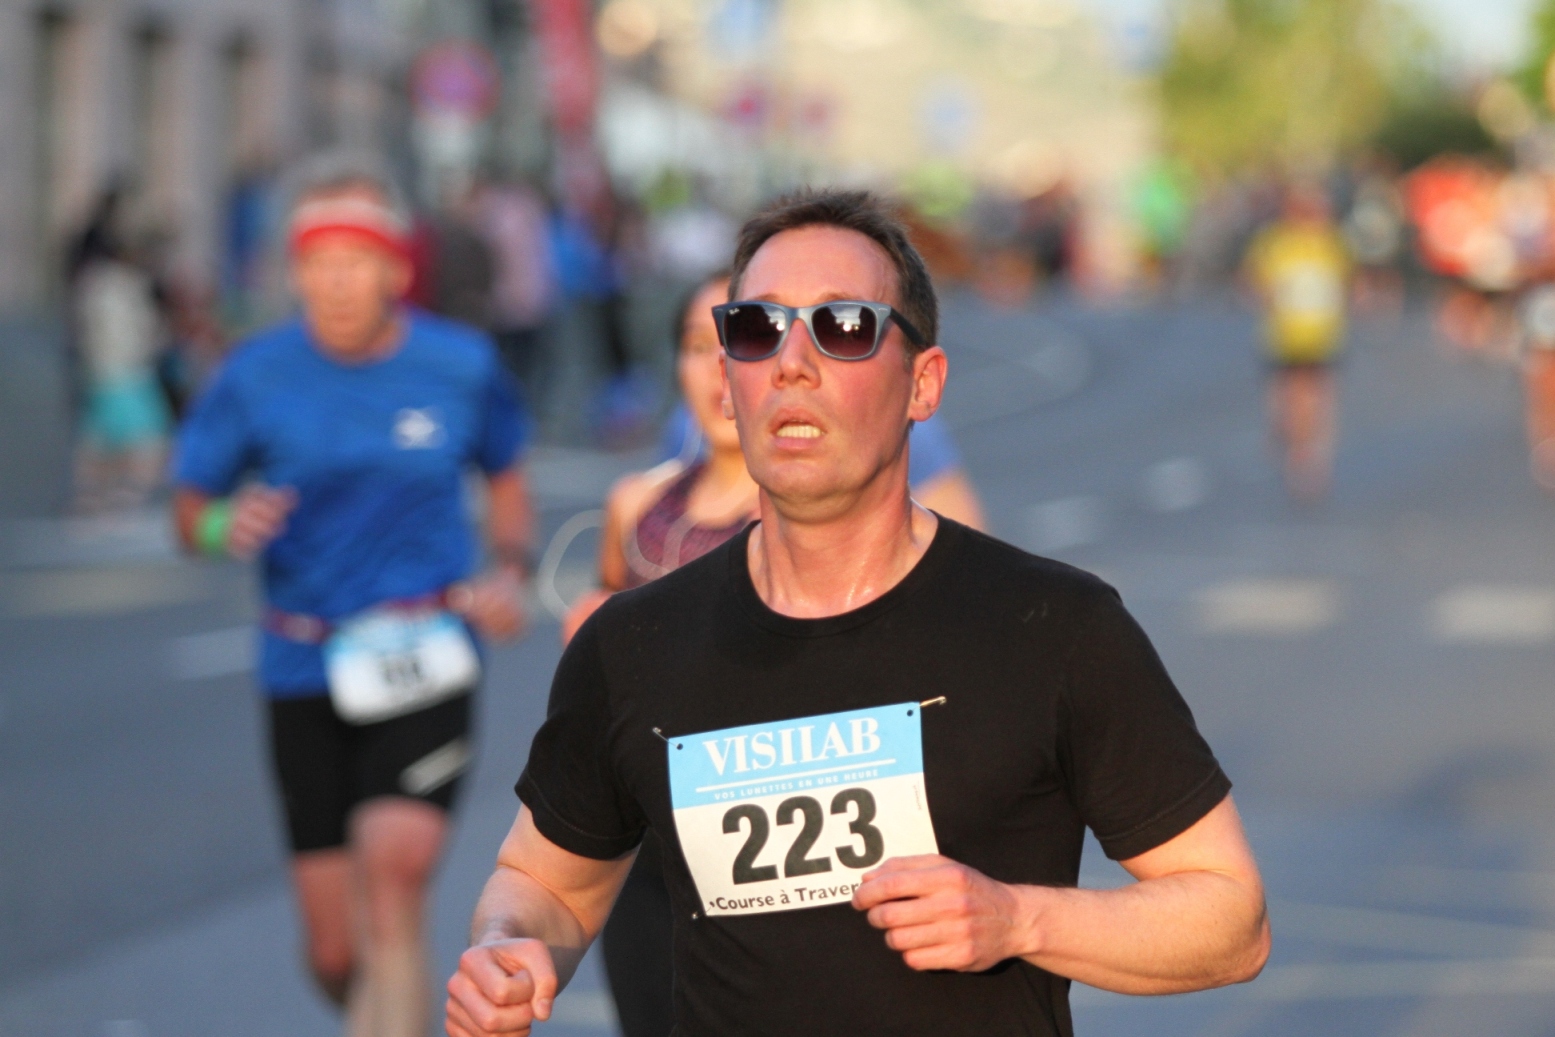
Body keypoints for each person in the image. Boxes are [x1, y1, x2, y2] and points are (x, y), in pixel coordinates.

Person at [446, 189, 1268, 1037]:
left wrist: (1018, 919)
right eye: (756, 329)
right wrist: (506, 949)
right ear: (727, 382)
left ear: (923, 383)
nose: (791, 364)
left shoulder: (1052, 625)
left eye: (842, 327)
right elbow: (545, 885)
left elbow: (1229, 916)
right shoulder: (634, 644)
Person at [171, 153, 535, 1037]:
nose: (335, 282)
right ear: (295, 273)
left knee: (394, 875)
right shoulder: (255, 373)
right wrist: (223, 524)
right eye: (317, 263)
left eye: (356, 259)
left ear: (394, 269)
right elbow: (189, 507)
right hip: (303, 659)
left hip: (426, 650)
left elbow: (504, 472)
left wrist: (508, 569)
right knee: (336, 950)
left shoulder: (458, 364)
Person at [1246, 185, 1350, 502]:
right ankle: (1298, 445)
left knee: (1315, 395)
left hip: (1319, 335)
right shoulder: (1282, 244)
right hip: (1288, 335)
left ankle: (1308, 453)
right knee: (1296, 394)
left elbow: (1345, 284)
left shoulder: (1327, 244)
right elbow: (1259, 285)